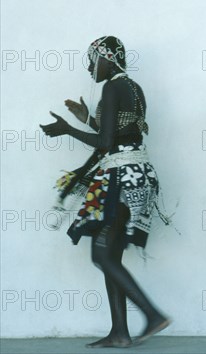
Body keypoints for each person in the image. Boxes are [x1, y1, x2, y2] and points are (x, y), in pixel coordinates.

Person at [40, 36, 170, 348]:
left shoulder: (112, 87)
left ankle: (152, 316)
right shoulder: (133, 87)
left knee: (103, 254)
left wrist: (67, 130)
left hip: (121, 179)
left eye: (91, 60)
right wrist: (87, 119)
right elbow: (121, 132)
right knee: (108, 254)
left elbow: (105, 143)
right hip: (135, 174)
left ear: (106, 58)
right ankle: (120, 333)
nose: (88, 68)